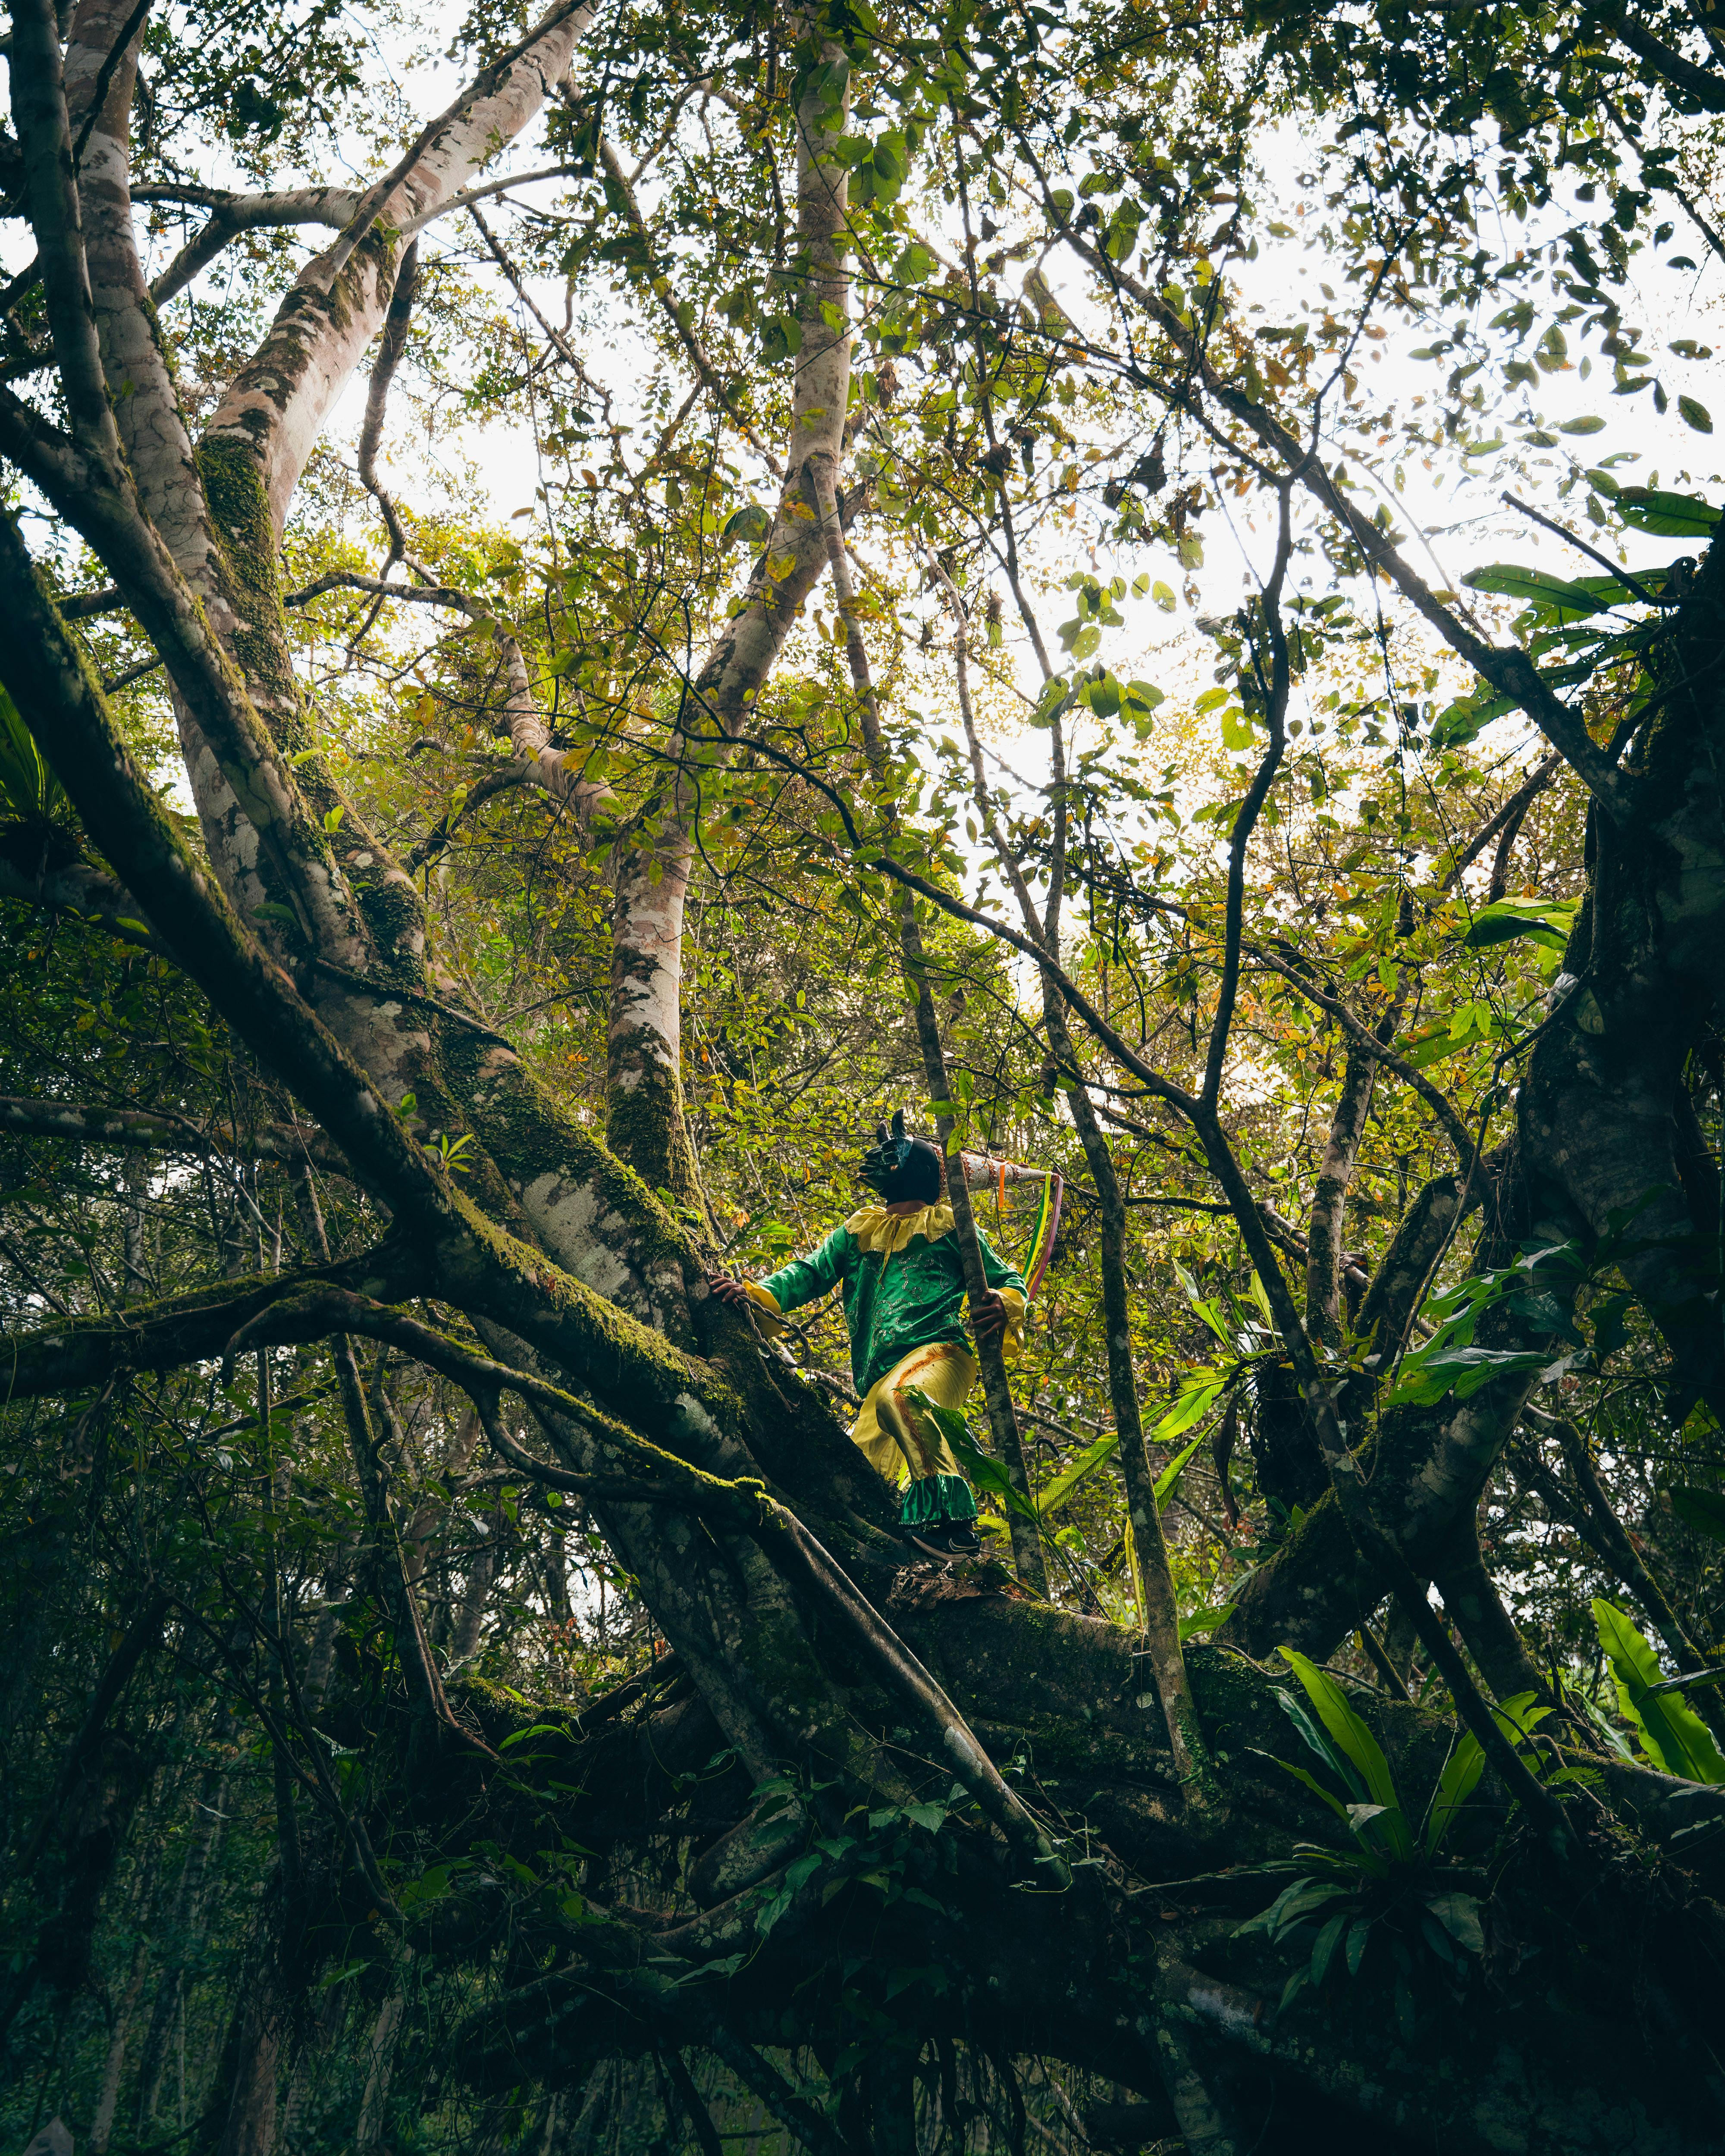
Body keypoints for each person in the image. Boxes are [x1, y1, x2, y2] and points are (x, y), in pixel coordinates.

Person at [708, 1112, 1026, 1558]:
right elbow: (809, 1273)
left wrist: (1001, 1301)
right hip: (877, 1375)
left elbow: (1010, 1280)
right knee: (858, 1480)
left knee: (902, 1400)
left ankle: (955, 1527)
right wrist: (751, 1296)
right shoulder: (859, 1229)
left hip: (940, 1352)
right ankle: (901, 1562)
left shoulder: (952, 1224)